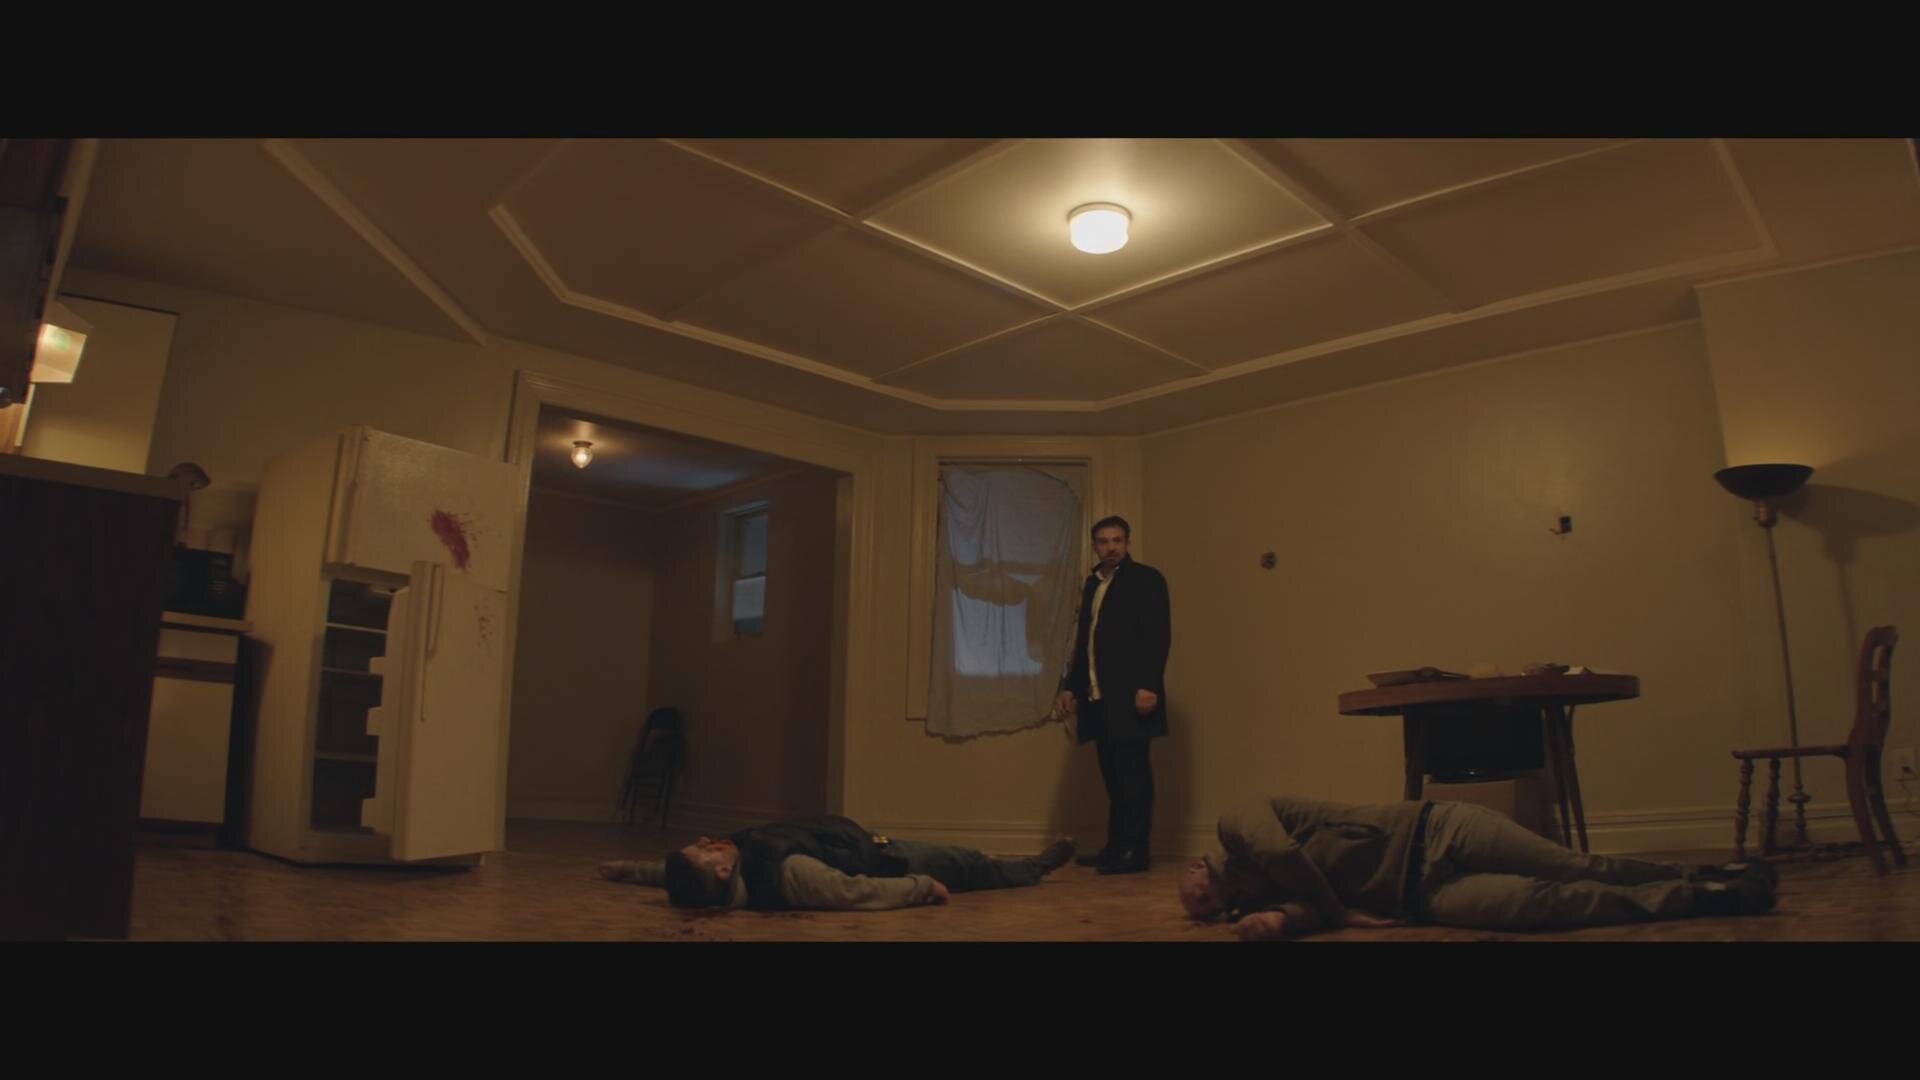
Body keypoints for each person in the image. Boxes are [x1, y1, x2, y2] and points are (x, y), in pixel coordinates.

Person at [1180, 794, 1779, 940]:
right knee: (1545, 905)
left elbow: (1284, 855)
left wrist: (1335, 914)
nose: (1210, 905)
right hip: (1424, 897)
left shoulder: (1236, 823)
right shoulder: (1256, 899)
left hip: (1441, 829)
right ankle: (1703, 896)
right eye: (1207, 913)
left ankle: (1704, 872)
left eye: (1199, 897)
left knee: (1575, 865)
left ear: (1194, 867)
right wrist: (1276, 923)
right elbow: (1307, 909)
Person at [598, 814, 1075, 911]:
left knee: (973, 864)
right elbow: (854, 892)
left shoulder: (732, 862)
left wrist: (629, 869)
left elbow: (671, 875)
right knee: (972, 865)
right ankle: (1037, 867)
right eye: (704, 849)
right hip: (889, 860)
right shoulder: (788, 874)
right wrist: (922, 887)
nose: (707, 841)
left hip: (866, 842)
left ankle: (1025, 865)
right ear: (722, 871)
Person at [1054, 515, 1171, 875]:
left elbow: (1157, 634)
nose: (1111, 547)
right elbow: (1085, 643)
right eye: (1104, 541)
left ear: (1128, 543)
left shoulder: (1146, 579)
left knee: (1133, 777)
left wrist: (1149, 685)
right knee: (1113, 776)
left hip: (1131, 695)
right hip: (1098, 697)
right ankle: (1117, 847)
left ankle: (1136, 850)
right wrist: (1070, 687)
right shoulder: (1093, 584)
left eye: (1117, 540)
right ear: (1095, 546)